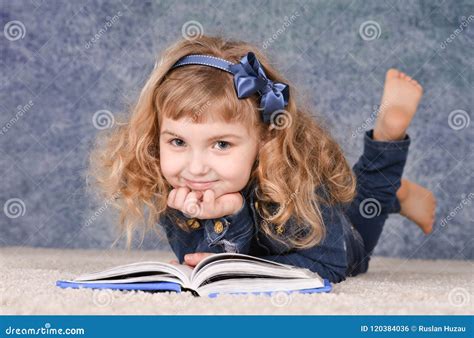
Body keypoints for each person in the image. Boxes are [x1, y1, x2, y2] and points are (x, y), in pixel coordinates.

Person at [88, 35, 436, 283]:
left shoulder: (295, 182)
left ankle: (387, 150)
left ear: (266, 137)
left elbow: (332, 264)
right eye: (178, 141)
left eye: (221, 144)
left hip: (327, 229)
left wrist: (240, 258)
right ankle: (392, 194)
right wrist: (225, 218)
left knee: (356, 235)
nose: (195, 167)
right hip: (300, 223)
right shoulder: (178, 188)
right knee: (352, 205)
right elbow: (205, 264)